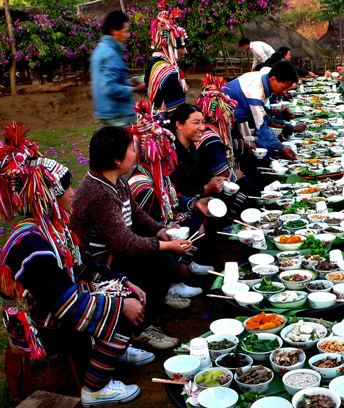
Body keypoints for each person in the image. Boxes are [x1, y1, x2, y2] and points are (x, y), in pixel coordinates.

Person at [0, 122, 150, 405]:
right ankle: (95, 389)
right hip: (40, 320)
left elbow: (81, 265)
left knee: (127, 292)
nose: (72, 194)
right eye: (66, 190)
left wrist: (122, 281)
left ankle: (112, 350)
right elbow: (63, 303)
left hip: (58, 301)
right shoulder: (30, 245)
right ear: (47, 199)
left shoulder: (53, 229)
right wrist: (119, 306)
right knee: (121, 309)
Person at [70, 126, 193, 350]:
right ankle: (140, 329)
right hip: (98, 263)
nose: (136, 152)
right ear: (117, 160)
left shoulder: (117, 180)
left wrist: (160, 231)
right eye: (130, 148)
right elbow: (123, 243)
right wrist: (166, 245)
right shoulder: (100, 194)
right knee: (164, 263)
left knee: (164, 258)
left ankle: (147, 313)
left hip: (115, 251)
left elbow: (136, 214)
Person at [128, 100, 214, 285]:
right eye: (167, 154)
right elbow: (145, 227)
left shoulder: (160, 176)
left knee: (198, 218)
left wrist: (195, 202)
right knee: (192, 228)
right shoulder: (145, 187)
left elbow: (174, 197)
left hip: (162, 225)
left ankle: (183, 266)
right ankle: (173, 280)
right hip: (148, 240)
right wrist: (166, 234)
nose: (173, 159)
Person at [223, 60, 299, 161]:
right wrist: (282, 148)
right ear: (273, 79)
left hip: (232, 121)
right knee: (260, 147)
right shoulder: (256, 92)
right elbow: (261, 129)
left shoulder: (265, 76)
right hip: (222, 123)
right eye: (284, 88)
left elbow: (261, 111)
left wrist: (270, 123)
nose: (284, 92)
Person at [90, 11, 145, 127]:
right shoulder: (111, 54)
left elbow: (107, 80)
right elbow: (109, 87)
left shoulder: (100, 50)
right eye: (125, 31)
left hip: (106, 114)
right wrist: (135, 88)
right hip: (119, 116)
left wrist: (129, 82)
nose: (127, 35)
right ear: (113, 31)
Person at [144, 2, 189, 133]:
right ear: (172, 45)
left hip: (156, 123)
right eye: (182, 47)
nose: (184, 51)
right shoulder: (169, 73)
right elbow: (178, 112)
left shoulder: (155, 64)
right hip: (169, 130)